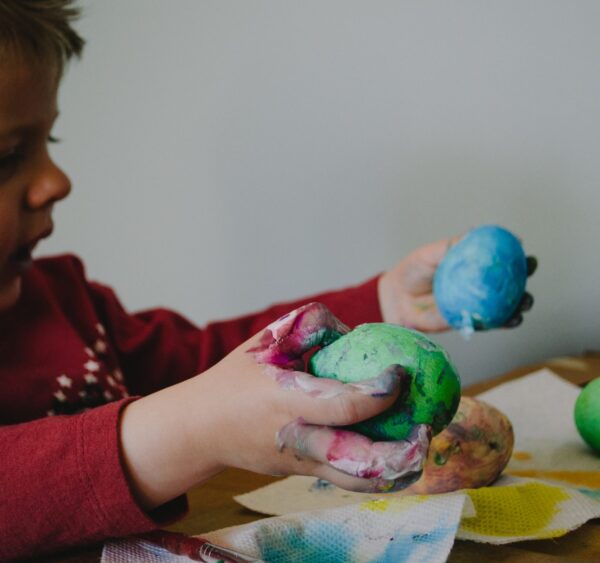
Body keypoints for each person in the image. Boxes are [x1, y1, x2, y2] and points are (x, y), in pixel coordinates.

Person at [0, 1, 535, 560]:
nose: (56, 181)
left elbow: (213, 366)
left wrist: (384, 303)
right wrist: (191, 430)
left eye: (49, 143)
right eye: (8, 155)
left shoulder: (67, 305)